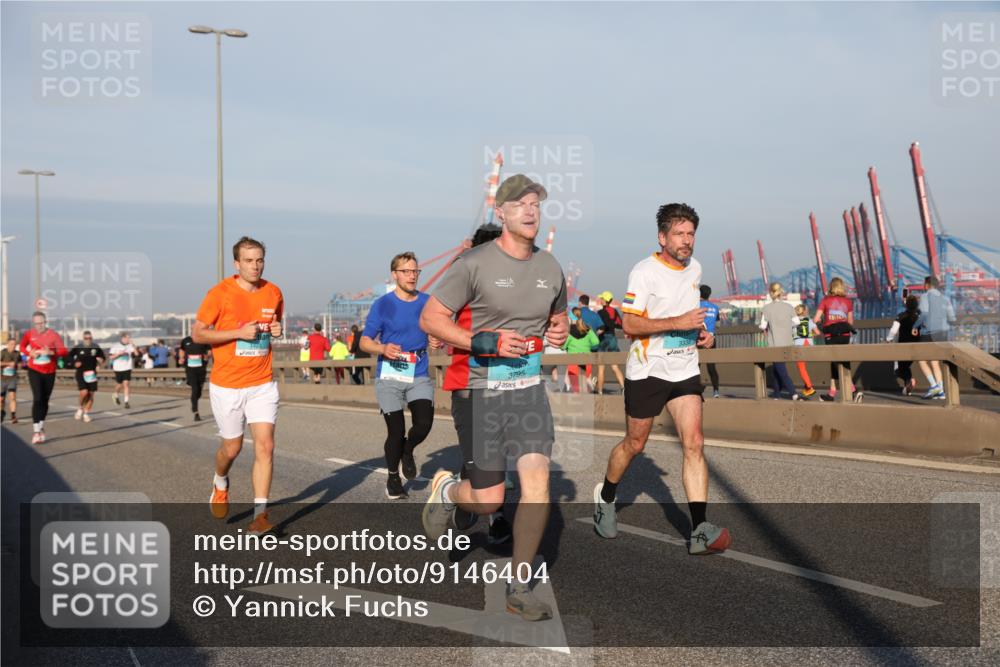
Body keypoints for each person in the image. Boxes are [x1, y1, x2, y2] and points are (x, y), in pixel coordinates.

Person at [419, 174, 569, 621]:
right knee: (487, 500)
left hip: (527, 393)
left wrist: (558, 329)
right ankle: (448, 492)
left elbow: (557, 319)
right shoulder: (474, 264)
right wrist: (481, 342)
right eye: (519, 204)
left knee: (537, 481)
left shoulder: (551, 267)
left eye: (535, 204)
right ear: (500, 213)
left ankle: (519, 584)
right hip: (481, 393)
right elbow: (431, 318)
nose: (529, 210)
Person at [593, 202, 731, 556]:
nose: (687, 241)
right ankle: (606, 495)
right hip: (648, 369)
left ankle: (699, 529)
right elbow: (629, 324)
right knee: (634, 444)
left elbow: (690, 316)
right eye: (680, 234)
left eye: (691, 234)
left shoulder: (695, 268)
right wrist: (677, 323)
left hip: (684, 367)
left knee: (694, 443)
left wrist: (702, 333)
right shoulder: (644, 272)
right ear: (662, 237)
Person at [194, 236, 284, 535]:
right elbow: (199, 335)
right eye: (248, 260)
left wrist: (277, 329)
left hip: (261, 382)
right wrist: (237, 333)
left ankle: (260, 515)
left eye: (259, 260)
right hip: (228, 384)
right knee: (231, 449)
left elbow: (273, 326)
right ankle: (220, 482)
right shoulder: (220, 294)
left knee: (266, 446)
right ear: (237, 264)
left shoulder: (273, 292)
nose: (255, 265)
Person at [360, 251, 442, 500]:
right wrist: (382, 348)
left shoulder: (428, 301)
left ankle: (408, 450)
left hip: (417, 370)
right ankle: (393, 478)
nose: (412, 276)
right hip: (390, 374)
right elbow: (364, 342)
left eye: (415, 271)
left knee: (424, 424)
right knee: (395, 430)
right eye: (406, 271)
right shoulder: (382, 304)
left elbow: (439, 331)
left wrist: (437, 339)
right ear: (394, 274)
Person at [19, 311, 67, 444]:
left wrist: (51, 352)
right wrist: (30, 353)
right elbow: (22, 346)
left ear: (45, 322)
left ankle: (41, 427)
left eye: (41, 323)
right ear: (33, 323)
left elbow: (63, 351)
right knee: (38, 397)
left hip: (50, 371)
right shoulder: (29, 334)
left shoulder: (53, 335)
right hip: (34, 369)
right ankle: (36, 431)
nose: (38, 326)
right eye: (36, 324)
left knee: (45, 400)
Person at [813, 277, 861, 402]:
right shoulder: (848, 301)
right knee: (842, 362)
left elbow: (816, 319)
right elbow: (850, 321)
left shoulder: (826, 300)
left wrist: (820, 328)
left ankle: (853, 390)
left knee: (835, 363)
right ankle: (832, 393)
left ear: (831, 287)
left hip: (831, 335)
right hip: (845, 335)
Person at [913, 275, 957, 400]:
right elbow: (952, 318)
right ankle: (941, 391)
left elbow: (924, 314)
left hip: (929, 332)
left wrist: (915, 326)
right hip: (943, 332)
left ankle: (933, 386)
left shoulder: (925, 296)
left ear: (926, 285)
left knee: (921, 359)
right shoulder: (945, 298)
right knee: (935, 361)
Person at [759, 282, 801, 400]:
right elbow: (797, 322)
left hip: (774, 344)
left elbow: (763, 326)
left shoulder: (766, 308)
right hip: (787, 342)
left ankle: (793, 392)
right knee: (777, 368)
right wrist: (787, 325)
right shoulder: (789, 307)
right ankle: (776, 394)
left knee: (780, 369)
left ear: (771, 293)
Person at [886, 295, 921, 396]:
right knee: (906, 367)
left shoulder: (901, 316)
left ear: (906, 305)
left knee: (899, 369)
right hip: (917, 345)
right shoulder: (919, 316)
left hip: (904, 346)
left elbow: (893, 330)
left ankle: (909, 380)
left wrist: (888, 339)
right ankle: (907, 389)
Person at [68, 331, 106, 423]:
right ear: (83, 338)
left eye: (90, 338)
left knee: (91, 394)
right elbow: (68, 356)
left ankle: (86, 413)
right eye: (86, 338)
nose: (88, 340)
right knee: (84, 392)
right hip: (81, 372)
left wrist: (100, 362)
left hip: (92, 374)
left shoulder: (95, 347)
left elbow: (103, 358)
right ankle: (80, 407)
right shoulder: (78, 347)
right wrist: (74, 363)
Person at [594, 291, 626, 394]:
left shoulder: (600, 312)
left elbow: (601, 326)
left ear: (605, 300)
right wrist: (612, 325)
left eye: (602, 298)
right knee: (615, 366)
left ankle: (600, 391)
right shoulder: (614, 311)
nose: (600, 300)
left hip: (604, 340)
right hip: (613, 339)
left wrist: (599, 331)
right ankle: (623, 388)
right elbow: (620, 325)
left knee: (601, 368)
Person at [564, 306, 600, 393]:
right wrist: (588, 346)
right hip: (587, 360)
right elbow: (596, 342)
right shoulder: (587, 330)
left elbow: (563, 346)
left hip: (573, 362)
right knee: (584, 385)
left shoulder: (569, 333)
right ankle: (590, 383)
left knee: (576, 388)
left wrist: (567, 347)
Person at [180, 332, 211, 420]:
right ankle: (196, 411)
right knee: (195, 388)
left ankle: (194, 402)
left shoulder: (204, 340)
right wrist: (181, 358)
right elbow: (182, 350)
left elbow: (209, 351)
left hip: (201, 369)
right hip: (190, 369)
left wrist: (207, 356)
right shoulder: (186, 340)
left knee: (199, 392)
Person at [792, 304, 820, 398]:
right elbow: (818, 332)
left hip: (799, 345)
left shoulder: (793, 321)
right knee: (803, 366)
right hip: (808, 344)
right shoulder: (809, 320)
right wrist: (809, 335)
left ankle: (809, 387)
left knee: (801, 367)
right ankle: (806, 387)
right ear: (804, 311)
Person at [699, 285, 722, 398]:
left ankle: (696, 390)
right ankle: (716, 391)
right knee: (711, 366)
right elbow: (717, 324)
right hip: (712, 339)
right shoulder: (715, 307)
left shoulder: (696, 306)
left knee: (695, 366)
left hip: (698, 338)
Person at [108, 333, 135, 408]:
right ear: (122, 338)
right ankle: (115, 394)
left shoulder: (130, 346)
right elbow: (110, 357)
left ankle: (126, 402)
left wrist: (133, 345)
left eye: (129, 338)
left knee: (126, 384)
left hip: (127, 368)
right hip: (118, 368)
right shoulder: (115, 346)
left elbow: (136, 353)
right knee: (119, 384)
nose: (128, 339)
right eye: (127, 338)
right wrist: (118, 354)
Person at [1, 337, 20, 424]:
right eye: (12, 344)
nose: (13, 346)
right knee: (1, 399)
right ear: (8, 344)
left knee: (12, 396)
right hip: (2, 378)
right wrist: (8, 364)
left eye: (15, 345)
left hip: (12, 378)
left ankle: (13, 415)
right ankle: (2, 413)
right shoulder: (3, 352)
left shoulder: (17, 353)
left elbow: (21, 362)